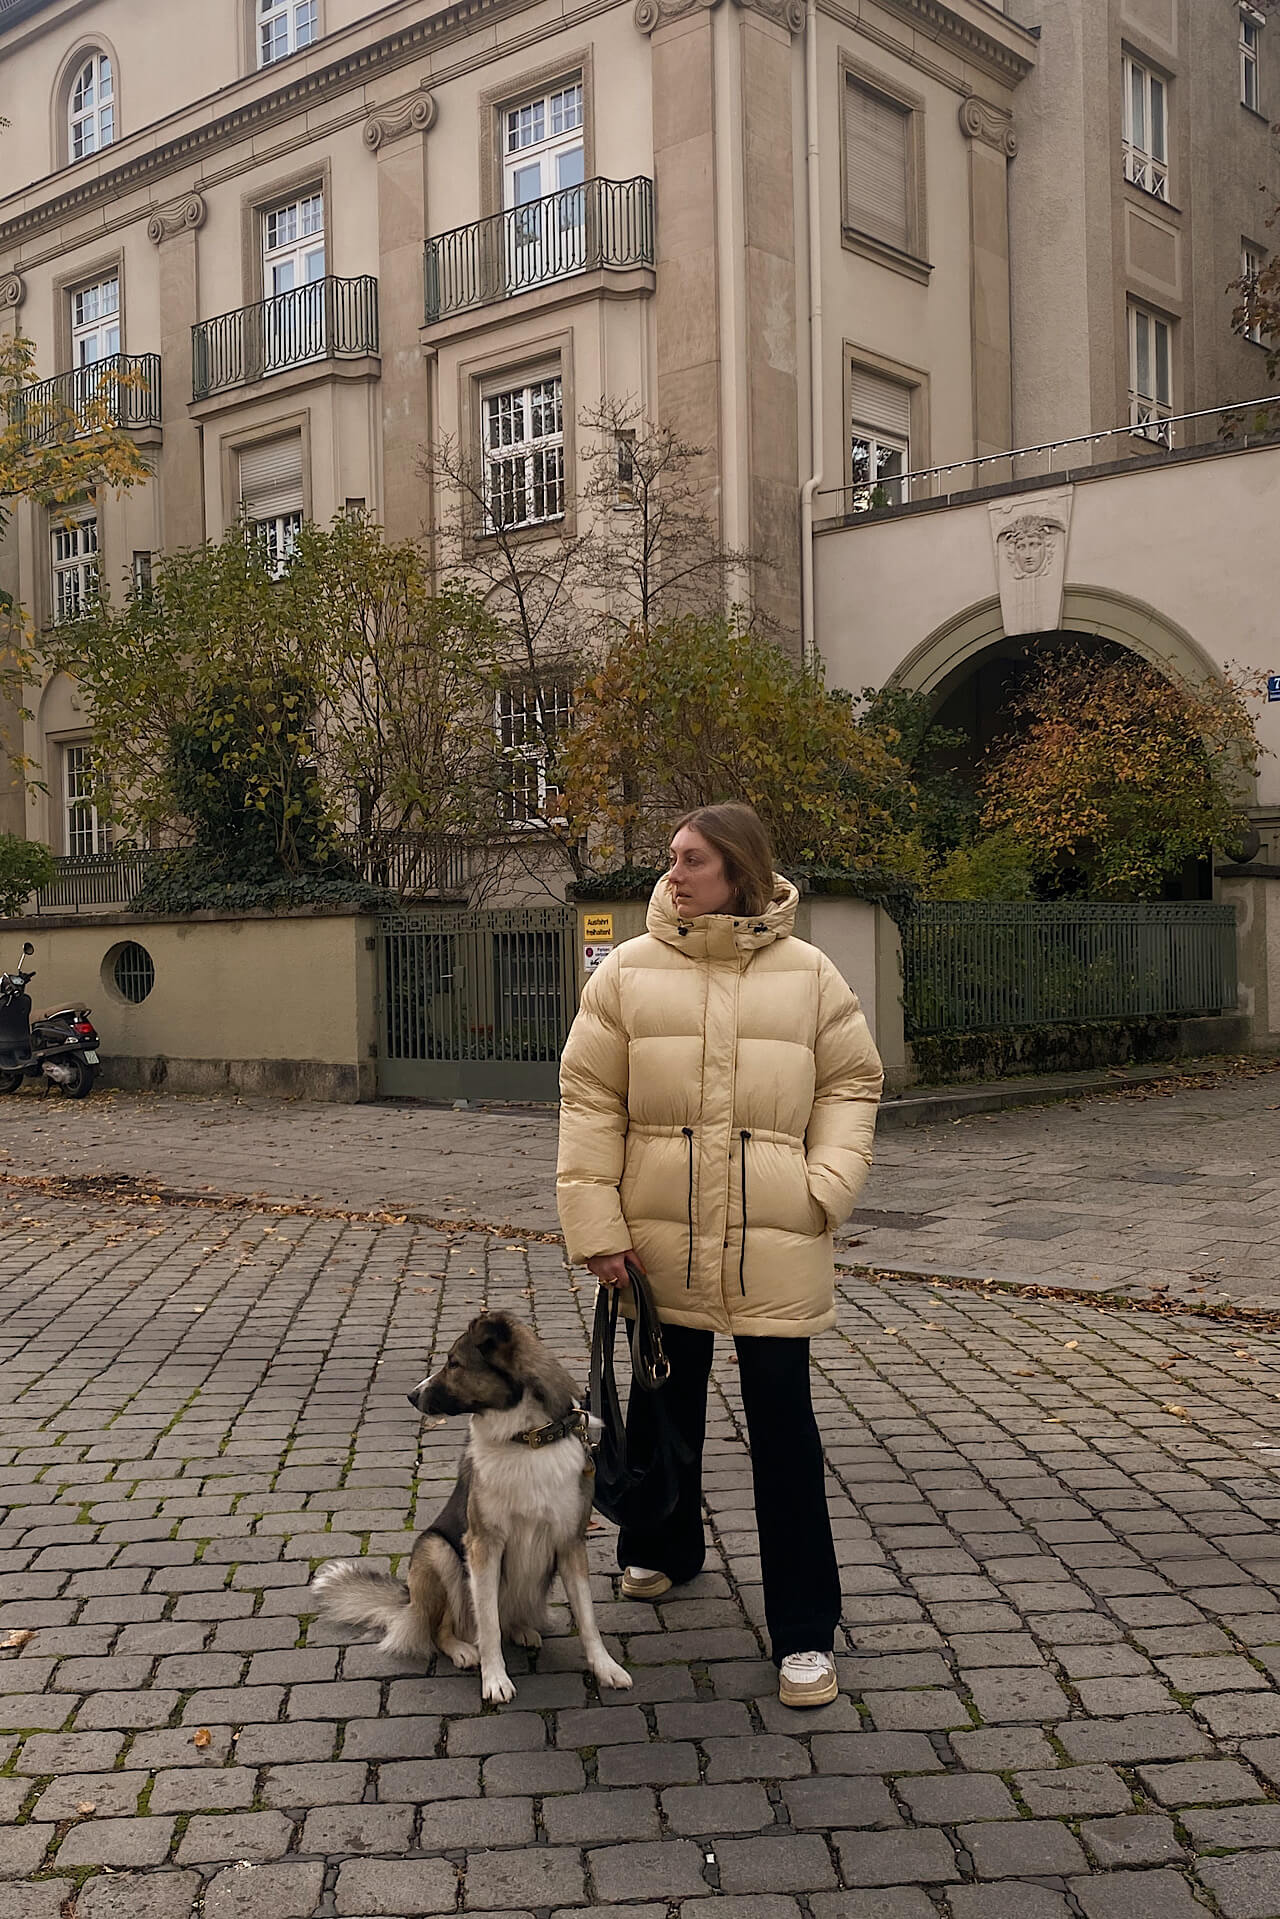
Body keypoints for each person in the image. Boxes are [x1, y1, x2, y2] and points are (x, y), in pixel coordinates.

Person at [556, 802, 884, 1707]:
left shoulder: (811, 975)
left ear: (737, 867)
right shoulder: (626, 972)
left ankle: (806, 1632)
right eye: (672, 858)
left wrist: (825, 1186)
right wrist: (599, 1228)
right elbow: (589, 1101)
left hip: (776, 1237)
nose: (675, 873)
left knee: (785, 1431)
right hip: (659, 1241)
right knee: (668, 1408)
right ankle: (661, 1548)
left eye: (692, 859)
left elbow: (856, 1079)